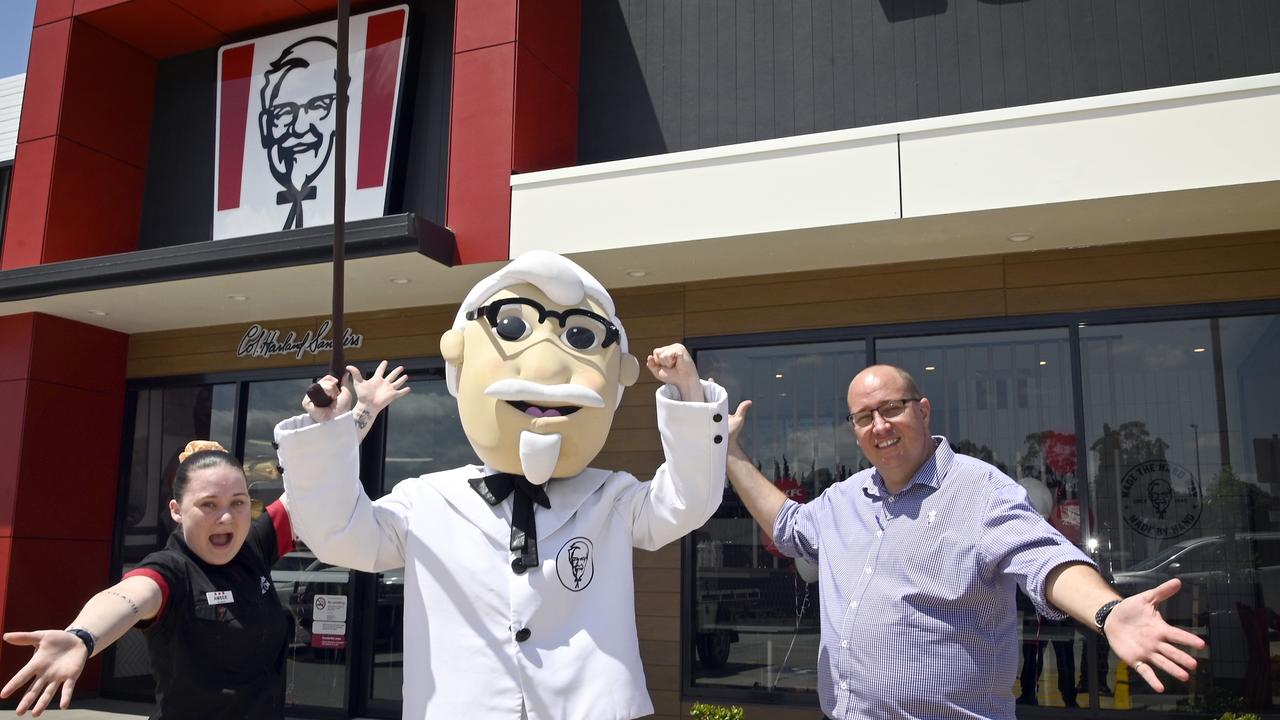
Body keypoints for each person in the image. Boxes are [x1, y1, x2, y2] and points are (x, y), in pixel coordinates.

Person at [273, 251, 729, 719]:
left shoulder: (611, 497)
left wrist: (691, 400)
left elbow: (687, 501)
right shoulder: (428, 500)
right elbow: (337, 534)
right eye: (512, 328)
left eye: (579, 335)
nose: (547, 365)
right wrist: (335, 429)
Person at [724, 364, 1205, 720]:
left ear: (923, 409)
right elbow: (787, 525)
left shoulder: (979, 490)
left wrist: (1108, 611)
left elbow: (1044, 559)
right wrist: (728, 452)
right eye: (864, 417)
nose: (880, 426)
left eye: (892, 408)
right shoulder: (843, 500)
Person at [0, 366, 406, 718]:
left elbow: (314, 478)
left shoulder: (255, 546)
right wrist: (82, 637)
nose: (226, 516)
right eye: (208, 504)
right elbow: (127, 598)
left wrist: (361, 412)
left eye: (238, 502)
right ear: (176, 510)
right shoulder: (171, 571)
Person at [257, 37, 339, 230]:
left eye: (318, 106)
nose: (300, 128)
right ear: (265, 127)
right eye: (285, 112)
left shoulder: (351, 206)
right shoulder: (247, 217)